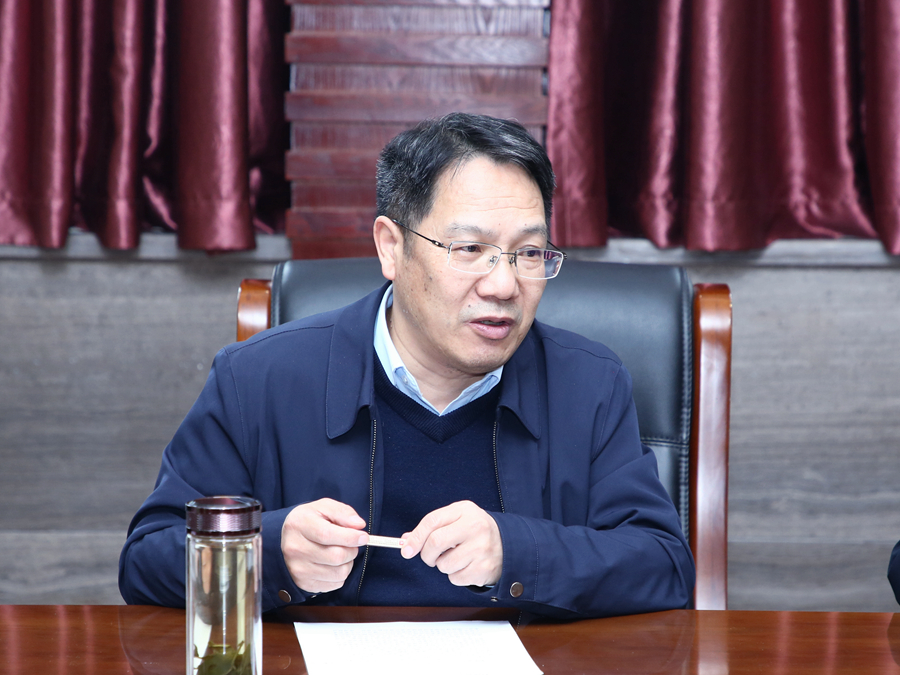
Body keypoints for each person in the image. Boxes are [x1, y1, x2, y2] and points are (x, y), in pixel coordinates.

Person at [119, 112, 695, 618]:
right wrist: (267, 553)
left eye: (527, 253)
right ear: (391, 247)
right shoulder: (257, 379)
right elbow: (147, 561)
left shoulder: (589, 384)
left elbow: (664, 567)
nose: (503, 285)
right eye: (470, 250)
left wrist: (515, 552)